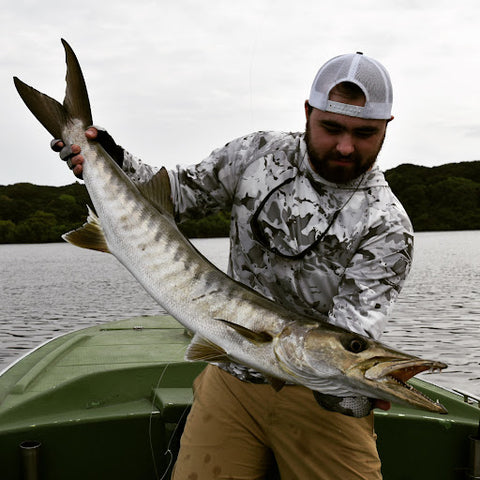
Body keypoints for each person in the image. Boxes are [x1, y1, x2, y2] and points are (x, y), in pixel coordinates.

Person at [53, 52, 413, 479]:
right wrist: (111, 158)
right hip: (230, 374)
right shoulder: (258, 153)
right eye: (331, 128)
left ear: (386, 128)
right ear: (307, 112)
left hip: (317, 395)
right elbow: (177, 192)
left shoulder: (388, 226)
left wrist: (354, 395)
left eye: (364, 133)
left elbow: (350, 337)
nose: (345, 146)